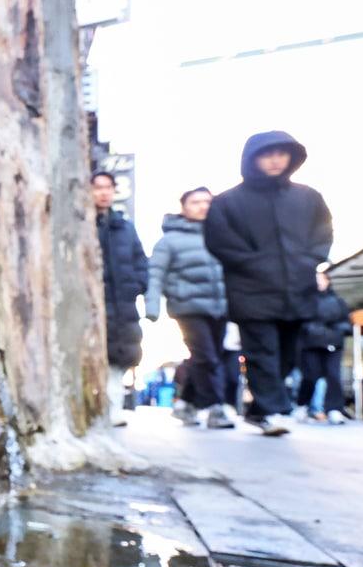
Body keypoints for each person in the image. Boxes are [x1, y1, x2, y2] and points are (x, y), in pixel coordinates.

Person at [203, 131, 333, 436]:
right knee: (262, 352)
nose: (275, 159)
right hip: (251, 292)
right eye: (267, 153)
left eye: (281, 153)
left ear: (291, 157)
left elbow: (324, 232)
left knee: (289, 355)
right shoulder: (227, 202)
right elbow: (219, 241)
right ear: (252, 158)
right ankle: (273, 411)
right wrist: (253, 264)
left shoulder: (309, 197)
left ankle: (260, 410)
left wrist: (310, 259)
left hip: (297, 289)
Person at [145, 187, 234, 429]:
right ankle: (215, 408)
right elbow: (155, 274)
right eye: (196, 202)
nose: (203, 206)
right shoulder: (169, 241)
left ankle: (185, 404)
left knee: (208, 356)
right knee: (207, 357)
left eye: (207, 201)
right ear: (184, 207)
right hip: (187, 307)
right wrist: (151, 306)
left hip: (220, 307)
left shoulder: (222, 236)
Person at [92, 171, 148, 427]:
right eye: (98, 187)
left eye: (108, 187)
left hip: (122, 305)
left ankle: (113, 410)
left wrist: (138, 286)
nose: (103, 192)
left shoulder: (125, 227)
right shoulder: (81, 224)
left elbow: (140, 261)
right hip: (93, 304)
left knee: (117, 360)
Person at [297, 270, 352, 424]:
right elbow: (300, 322)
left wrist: (336, 331)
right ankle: (302, 405)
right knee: (310, 376)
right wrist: (313, 330)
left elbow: (346, 322)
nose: (319, 282)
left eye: (321, 279)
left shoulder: (338, 301)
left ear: (328, 281)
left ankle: (334, 409)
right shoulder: (305, 302)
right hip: (311, 344)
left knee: (334, 376)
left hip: (333, 343)